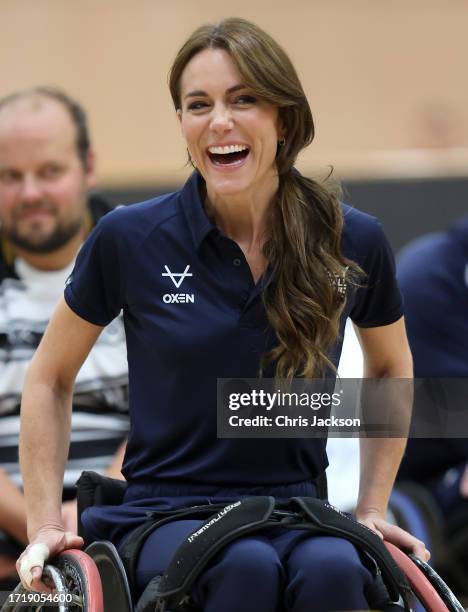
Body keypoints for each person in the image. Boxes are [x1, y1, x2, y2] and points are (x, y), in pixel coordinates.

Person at [16, 20, 429, 612]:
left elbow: (392, 369)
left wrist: (370, 510)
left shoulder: (353, 240)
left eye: (244, 100)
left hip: (297, 507)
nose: (219, 122)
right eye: (198, 105)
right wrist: (44, 524)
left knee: (337, 568)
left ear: (284, 119)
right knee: (242, 564)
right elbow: (49, 378)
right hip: (164, 510)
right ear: (182, 123)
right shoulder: (130, 237)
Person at [0, 88, 129, 585]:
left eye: (49, 172)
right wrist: (41, 526)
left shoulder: (148, 265)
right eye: (11, 176)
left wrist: (87, 517)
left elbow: (172, 410)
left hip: (128, 522)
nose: (30, 192)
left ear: (88, 166)